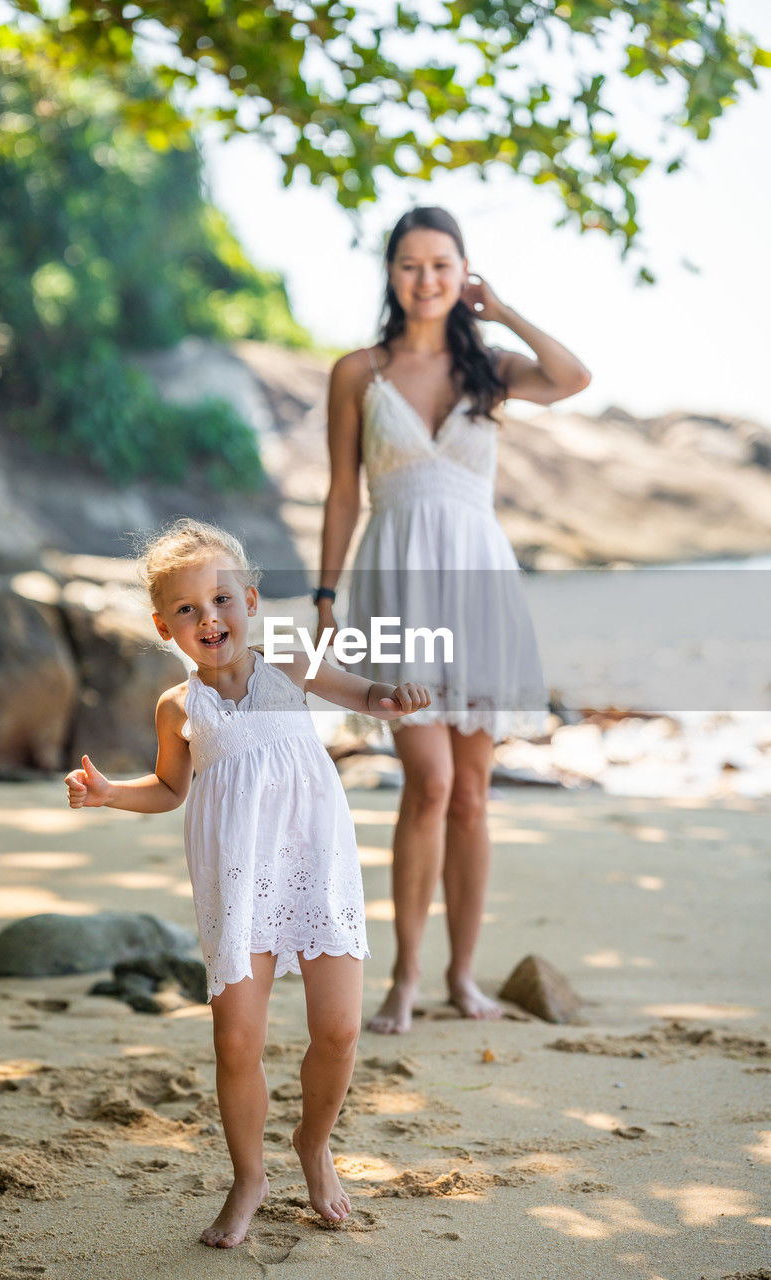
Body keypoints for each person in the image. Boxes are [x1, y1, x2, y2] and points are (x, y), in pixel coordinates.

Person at [64, 518, 429, 1249]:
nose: (209, 618)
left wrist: (390, 695)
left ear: (252, 600)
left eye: (221, 599)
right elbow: (171, 789)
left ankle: (312, 1143)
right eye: (189, 610)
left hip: (315, 866)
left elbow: (361, 693)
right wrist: (111, 794)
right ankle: (249, 1176)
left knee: (339, 1029)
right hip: (236, 880)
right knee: (237, 1040)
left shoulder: (289, 663)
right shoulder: (179, 707)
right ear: (164, 625)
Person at [316, 205, 591, 1034]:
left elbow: (573, 376)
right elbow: (339, 492)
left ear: (461, 272)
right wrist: (325, 599)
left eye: (441, 264)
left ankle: (461, 978)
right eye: (410, 264)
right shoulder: (357, 372)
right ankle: (402, 978)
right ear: (390, 274)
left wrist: (501, 311)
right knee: (428, 783)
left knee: (471, 795)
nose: (425, 279)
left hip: (479, 589)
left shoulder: (491, 368)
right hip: (396, 585)